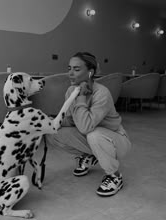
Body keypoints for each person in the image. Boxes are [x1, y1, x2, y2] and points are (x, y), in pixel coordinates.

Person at [46, 52, 131, 197]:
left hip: (116, 140)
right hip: (92, 136)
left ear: (90, 72)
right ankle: (88, 155)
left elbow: (86, 126)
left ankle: (115, 176)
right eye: (69, 68)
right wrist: (51, 121)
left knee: (94, 134)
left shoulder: (101, 93)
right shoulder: (70, 91)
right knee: (52, 133)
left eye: (77, 69)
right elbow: (71, 120)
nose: (70, 73)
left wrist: (81, 97)